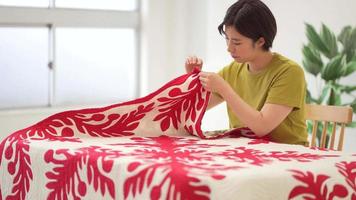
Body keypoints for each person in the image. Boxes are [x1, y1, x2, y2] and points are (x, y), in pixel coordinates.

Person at [185, 0, 308, 145]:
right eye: (227, 39)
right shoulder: (233, 70)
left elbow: (262, 127)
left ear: (260, 41)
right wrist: (192, 78)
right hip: (246, 151)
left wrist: (224, 88)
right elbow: (195, 109)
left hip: (288, 154)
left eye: (237, 42)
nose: (229, 48)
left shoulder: (289, 72)